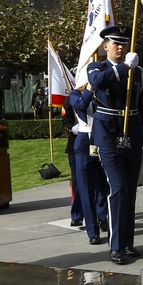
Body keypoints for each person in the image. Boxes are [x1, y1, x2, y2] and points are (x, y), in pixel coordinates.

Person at [87, 25, 143, 265]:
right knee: (118, 189)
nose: (120, 47)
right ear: (105, 46)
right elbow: (98, 82)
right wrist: (124, 67)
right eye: (115, 43)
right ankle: (115, 246)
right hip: (108, 135)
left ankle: (128, 242)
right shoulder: (97, 67)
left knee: (130, 191)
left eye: (124, 44)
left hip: (132, 134)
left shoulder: (137, 72)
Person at [69, 86, 110, 246]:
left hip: (103, 139)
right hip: (84, 142)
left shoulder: (103, 91)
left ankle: (103, 217)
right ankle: (93, 231)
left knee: (105, 186)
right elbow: (80, 105)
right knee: (86, 190)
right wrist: (89, 89)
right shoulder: (76, 93)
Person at [62, 93, 85, 229]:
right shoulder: (70, 99)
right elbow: (66, 121)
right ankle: (77, 215)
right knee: (77, 182)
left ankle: (100, 215)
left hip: (95, 143)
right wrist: (72, 128)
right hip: (76, 144)